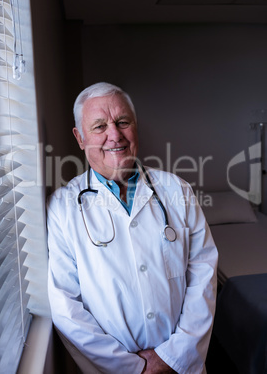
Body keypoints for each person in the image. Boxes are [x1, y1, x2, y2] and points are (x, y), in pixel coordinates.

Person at [47, 82, 218, 374]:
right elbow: (67, 308)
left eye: (122, 122)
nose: (115, 135)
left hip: (181, 365)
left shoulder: (177, 190)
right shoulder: (63, 207)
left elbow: (204, 276)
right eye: (99, 126)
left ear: (135, 126)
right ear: (80, 137)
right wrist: (134, 368)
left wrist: (171, 358)